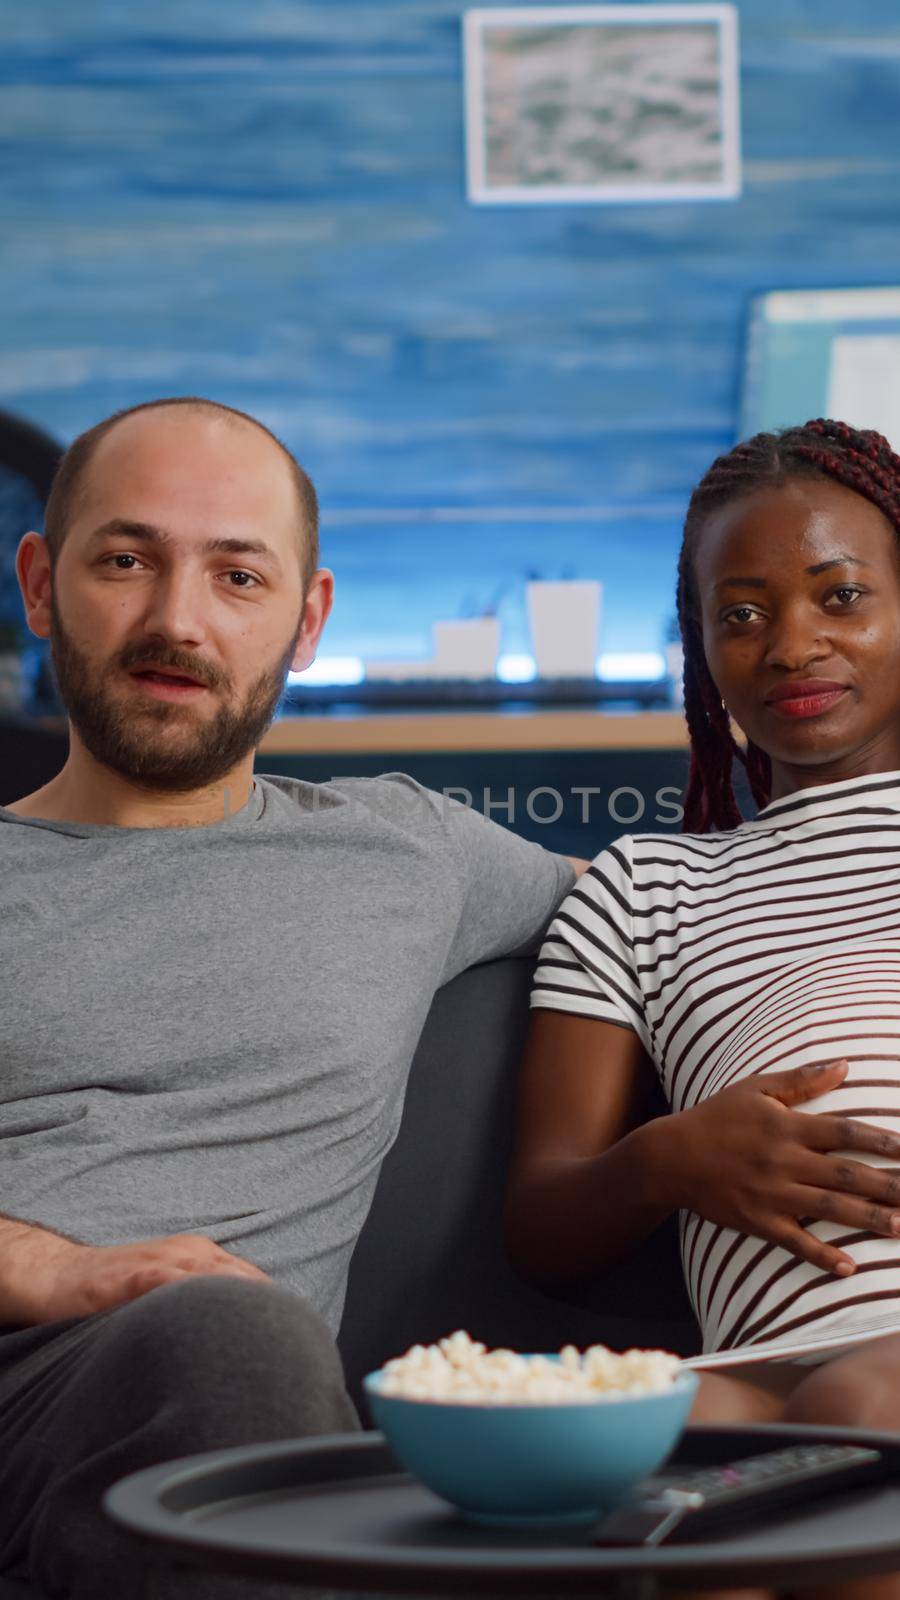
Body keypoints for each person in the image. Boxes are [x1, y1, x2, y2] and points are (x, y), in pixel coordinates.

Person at [0, 394, 586, 1599]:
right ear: (41, 583)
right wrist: (48, 1269)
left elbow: (704, 899)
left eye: (238, 577)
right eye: (127, 560)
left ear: (308, 620)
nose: (177, 620)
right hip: (42, 1380)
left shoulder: (409, 851)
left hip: (210, 1417)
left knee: (234, 1335)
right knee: (239, 1333)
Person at [505, 418, 900, 1600]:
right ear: (700, 649)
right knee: (652, 1487)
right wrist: (668, 1161)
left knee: (856, 1408)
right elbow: (539, 1223)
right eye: (740, 613)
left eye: (841, 595)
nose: (792, 643)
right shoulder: (642, 884)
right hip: (757, 1360)